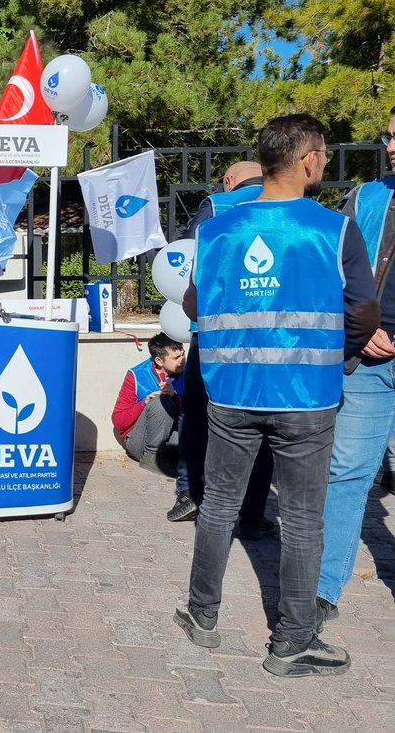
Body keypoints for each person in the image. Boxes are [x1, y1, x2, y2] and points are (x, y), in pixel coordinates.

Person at [175, 114, 379, 677]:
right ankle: (291, 643)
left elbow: (194, 305)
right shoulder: (334, 229)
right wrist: (338, 355)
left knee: (217, 505)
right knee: (304, 518)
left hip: (231, 391)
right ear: (310, 159)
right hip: (307, 397)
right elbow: (364, 311)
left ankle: (202, 615)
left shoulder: (216, 229)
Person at [316, 108, 395, 629]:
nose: (391, 145)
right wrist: (359, 329)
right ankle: (321, 592)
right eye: (389, 134)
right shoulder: (367, 197)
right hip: (369, 358)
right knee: (347, 473)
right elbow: (336, 267)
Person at [170, 159, 276, 534]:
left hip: (216, 332)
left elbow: (197, 267)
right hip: (270, 336)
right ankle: (251, 515)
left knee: (197, 412)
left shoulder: (216, 206)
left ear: (230, 180)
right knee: (263, 418)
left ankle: (191, 496)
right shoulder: (286, 201)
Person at [111, 333, 185, 472]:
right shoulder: (136, 375)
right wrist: (145, 403)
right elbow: (118, 421)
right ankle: (152, 458)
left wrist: (176, 398)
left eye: (183, 354)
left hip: (172, 436)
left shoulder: (189, 373)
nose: (182, 360)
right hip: (141, 443)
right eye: (176, 358)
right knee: (160, 402)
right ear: (159, 360)